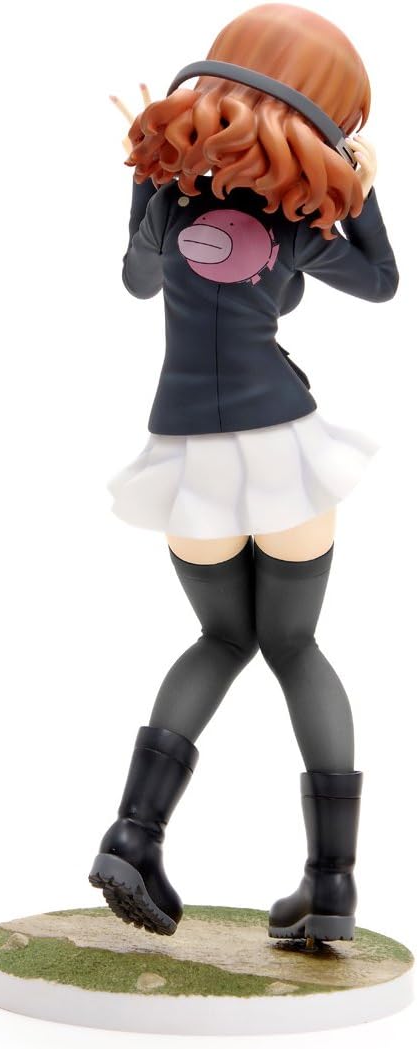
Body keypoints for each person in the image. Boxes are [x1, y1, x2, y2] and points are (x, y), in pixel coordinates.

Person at [89, 3, 399, 941]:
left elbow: (136, 279)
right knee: (295, 647)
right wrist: (360, 188)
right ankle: (331, 886)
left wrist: (147, 182)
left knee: (223, 638)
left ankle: (133, 834)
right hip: (282, 446)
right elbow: (382, 281)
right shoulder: (297, 218)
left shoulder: (170, 200)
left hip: (187, 455)